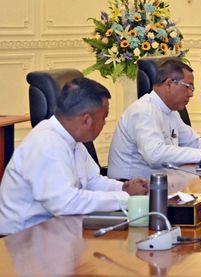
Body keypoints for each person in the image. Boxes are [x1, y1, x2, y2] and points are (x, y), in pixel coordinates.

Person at [0, 78, 148, 235]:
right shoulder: (46, 144)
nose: (104, 123)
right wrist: (125, 198)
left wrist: (123, 187)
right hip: (22, 239)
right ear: (86, 120)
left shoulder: (71, 139)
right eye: (104, 117)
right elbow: (66, 203)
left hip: (56, 229)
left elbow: (92, 180)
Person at [108, 60, 201, 180]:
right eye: (188, 87)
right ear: (169, 83)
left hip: (161, 184)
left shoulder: (170, 111)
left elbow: (195, 142)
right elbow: (155, 155)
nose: (191, 94)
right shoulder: (143, 111)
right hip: (132, 189)